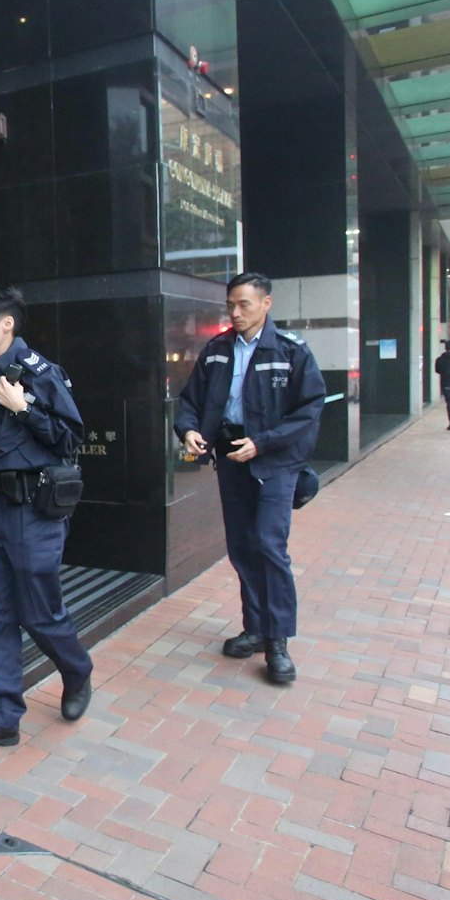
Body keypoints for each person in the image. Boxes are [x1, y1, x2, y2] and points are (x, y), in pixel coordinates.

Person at [0, 286, 95, 754]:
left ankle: (76, 669)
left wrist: (25, 408)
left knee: (39, 612)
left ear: (6, 324)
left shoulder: (40, 373)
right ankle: (2, 716)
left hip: (33, 510)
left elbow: (70, 439)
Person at [174, 272, 326, 684]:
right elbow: (191, 401)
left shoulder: (291, 351)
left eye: (244, 304)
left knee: (269, 546)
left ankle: (277, 641)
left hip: (275, 462)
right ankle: (255, 628)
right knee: (242, 546)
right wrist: (188, 429)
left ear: (266, 303)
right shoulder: (217, 350)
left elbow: (309, 410)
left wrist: (263, 443)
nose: (236, 313)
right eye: (231, 305)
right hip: (231, 457)